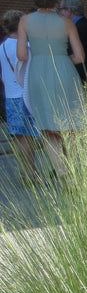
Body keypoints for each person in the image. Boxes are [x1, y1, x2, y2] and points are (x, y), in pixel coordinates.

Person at [17, 0, 85, 180]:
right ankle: (74, 171)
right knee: (71, 126)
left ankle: (62, 171)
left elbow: (21, 55)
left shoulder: (25, 21)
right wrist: (62, 60)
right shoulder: (66, 23)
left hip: (39, 73)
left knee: (48, 128)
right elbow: (80, 57)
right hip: (65, 72)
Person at [1, 10, 39, 181]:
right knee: (29, 137)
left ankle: (24, 171)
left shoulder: (1, 47)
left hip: (10, 96)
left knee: (18, 136)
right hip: (25, 95)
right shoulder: (27, 47)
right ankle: (32, 172)